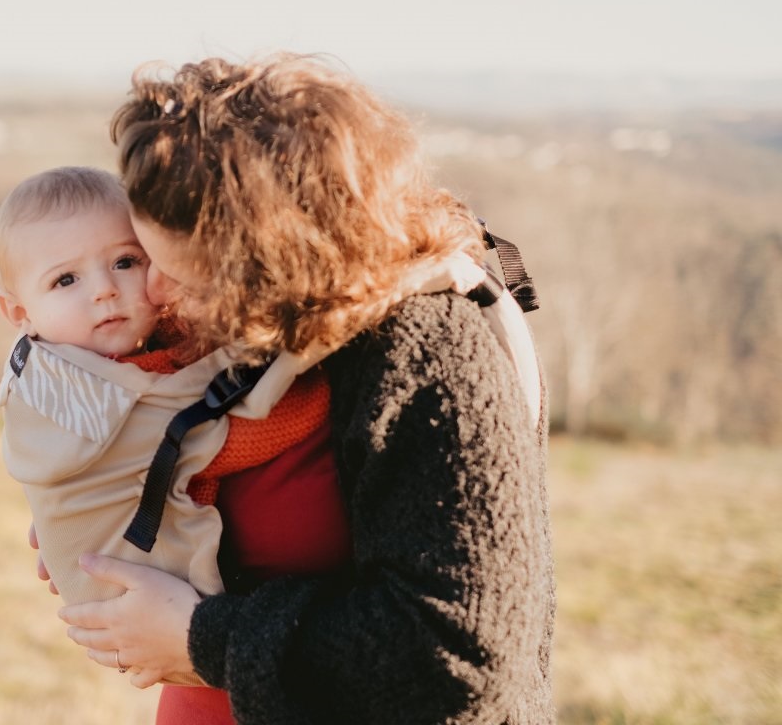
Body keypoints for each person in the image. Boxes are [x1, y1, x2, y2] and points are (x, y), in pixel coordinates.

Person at [57, 53, 556, 724]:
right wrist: (99, 522)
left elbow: (457, 655)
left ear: (276, 262)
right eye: (148, 257)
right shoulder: (265, 321)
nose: (155, 294)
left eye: (186, 276)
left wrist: (201, 638)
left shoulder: (430, 358)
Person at [0, 167, 333, 682]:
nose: (105, 290)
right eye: (66, 279)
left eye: (125, 262)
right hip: (166, 612)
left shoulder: (57, 362)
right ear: (20, 313)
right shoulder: (100, 396)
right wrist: (334, 379)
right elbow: (243, 430)